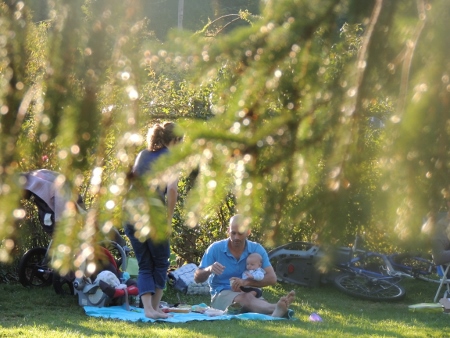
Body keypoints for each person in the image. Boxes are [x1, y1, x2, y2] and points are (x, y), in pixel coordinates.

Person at [124, 122, 182, 319]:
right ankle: (153, 309)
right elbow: (172, 190)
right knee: (160, 261)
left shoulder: (142, 154)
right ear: (174, 141)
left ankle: (150, 310)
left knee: (144, 264)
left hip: (130, 213)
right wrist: (168, 219)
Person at [194, 214, 295, 317]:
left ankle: (275, 313)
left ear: (248, 232)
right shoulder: (215, 248)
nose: (236, 237)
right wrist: (209, 269)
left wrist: (245, 282)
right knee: (247, 299)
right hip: (222, 293)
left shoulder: (256, 249)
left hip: (250, 292)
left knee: (250, 300)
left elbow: (272, 278)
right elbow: (197, 278)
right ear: (228, 230)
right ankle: (276, 308)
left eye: (240, 233)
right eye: (233, 233)